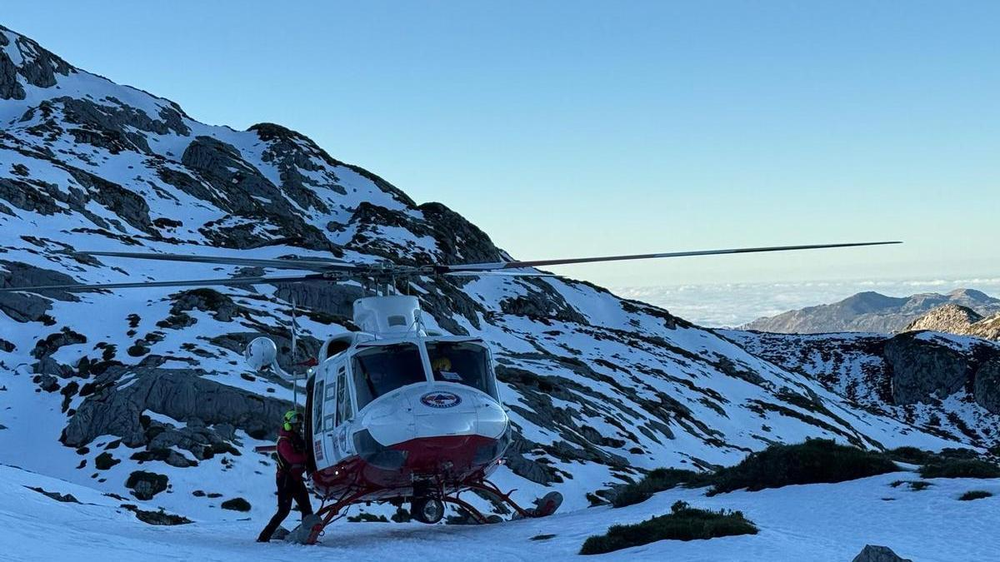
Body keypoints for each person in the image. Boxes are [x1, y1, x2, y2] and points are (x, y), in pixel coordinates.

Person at [257, 410, 314, 542]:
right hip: (286, 480)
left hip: (295, 479)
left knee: (306, 508)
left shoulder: (296, 439)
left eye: (299, 424)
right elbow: (292, 458)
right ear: (289, 425)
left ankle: (306, 534)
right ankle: (264, 537)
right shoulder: (284, 441)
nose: (298, 427)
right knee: (284, 511)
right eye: (295, 425)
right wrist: (307, 457)